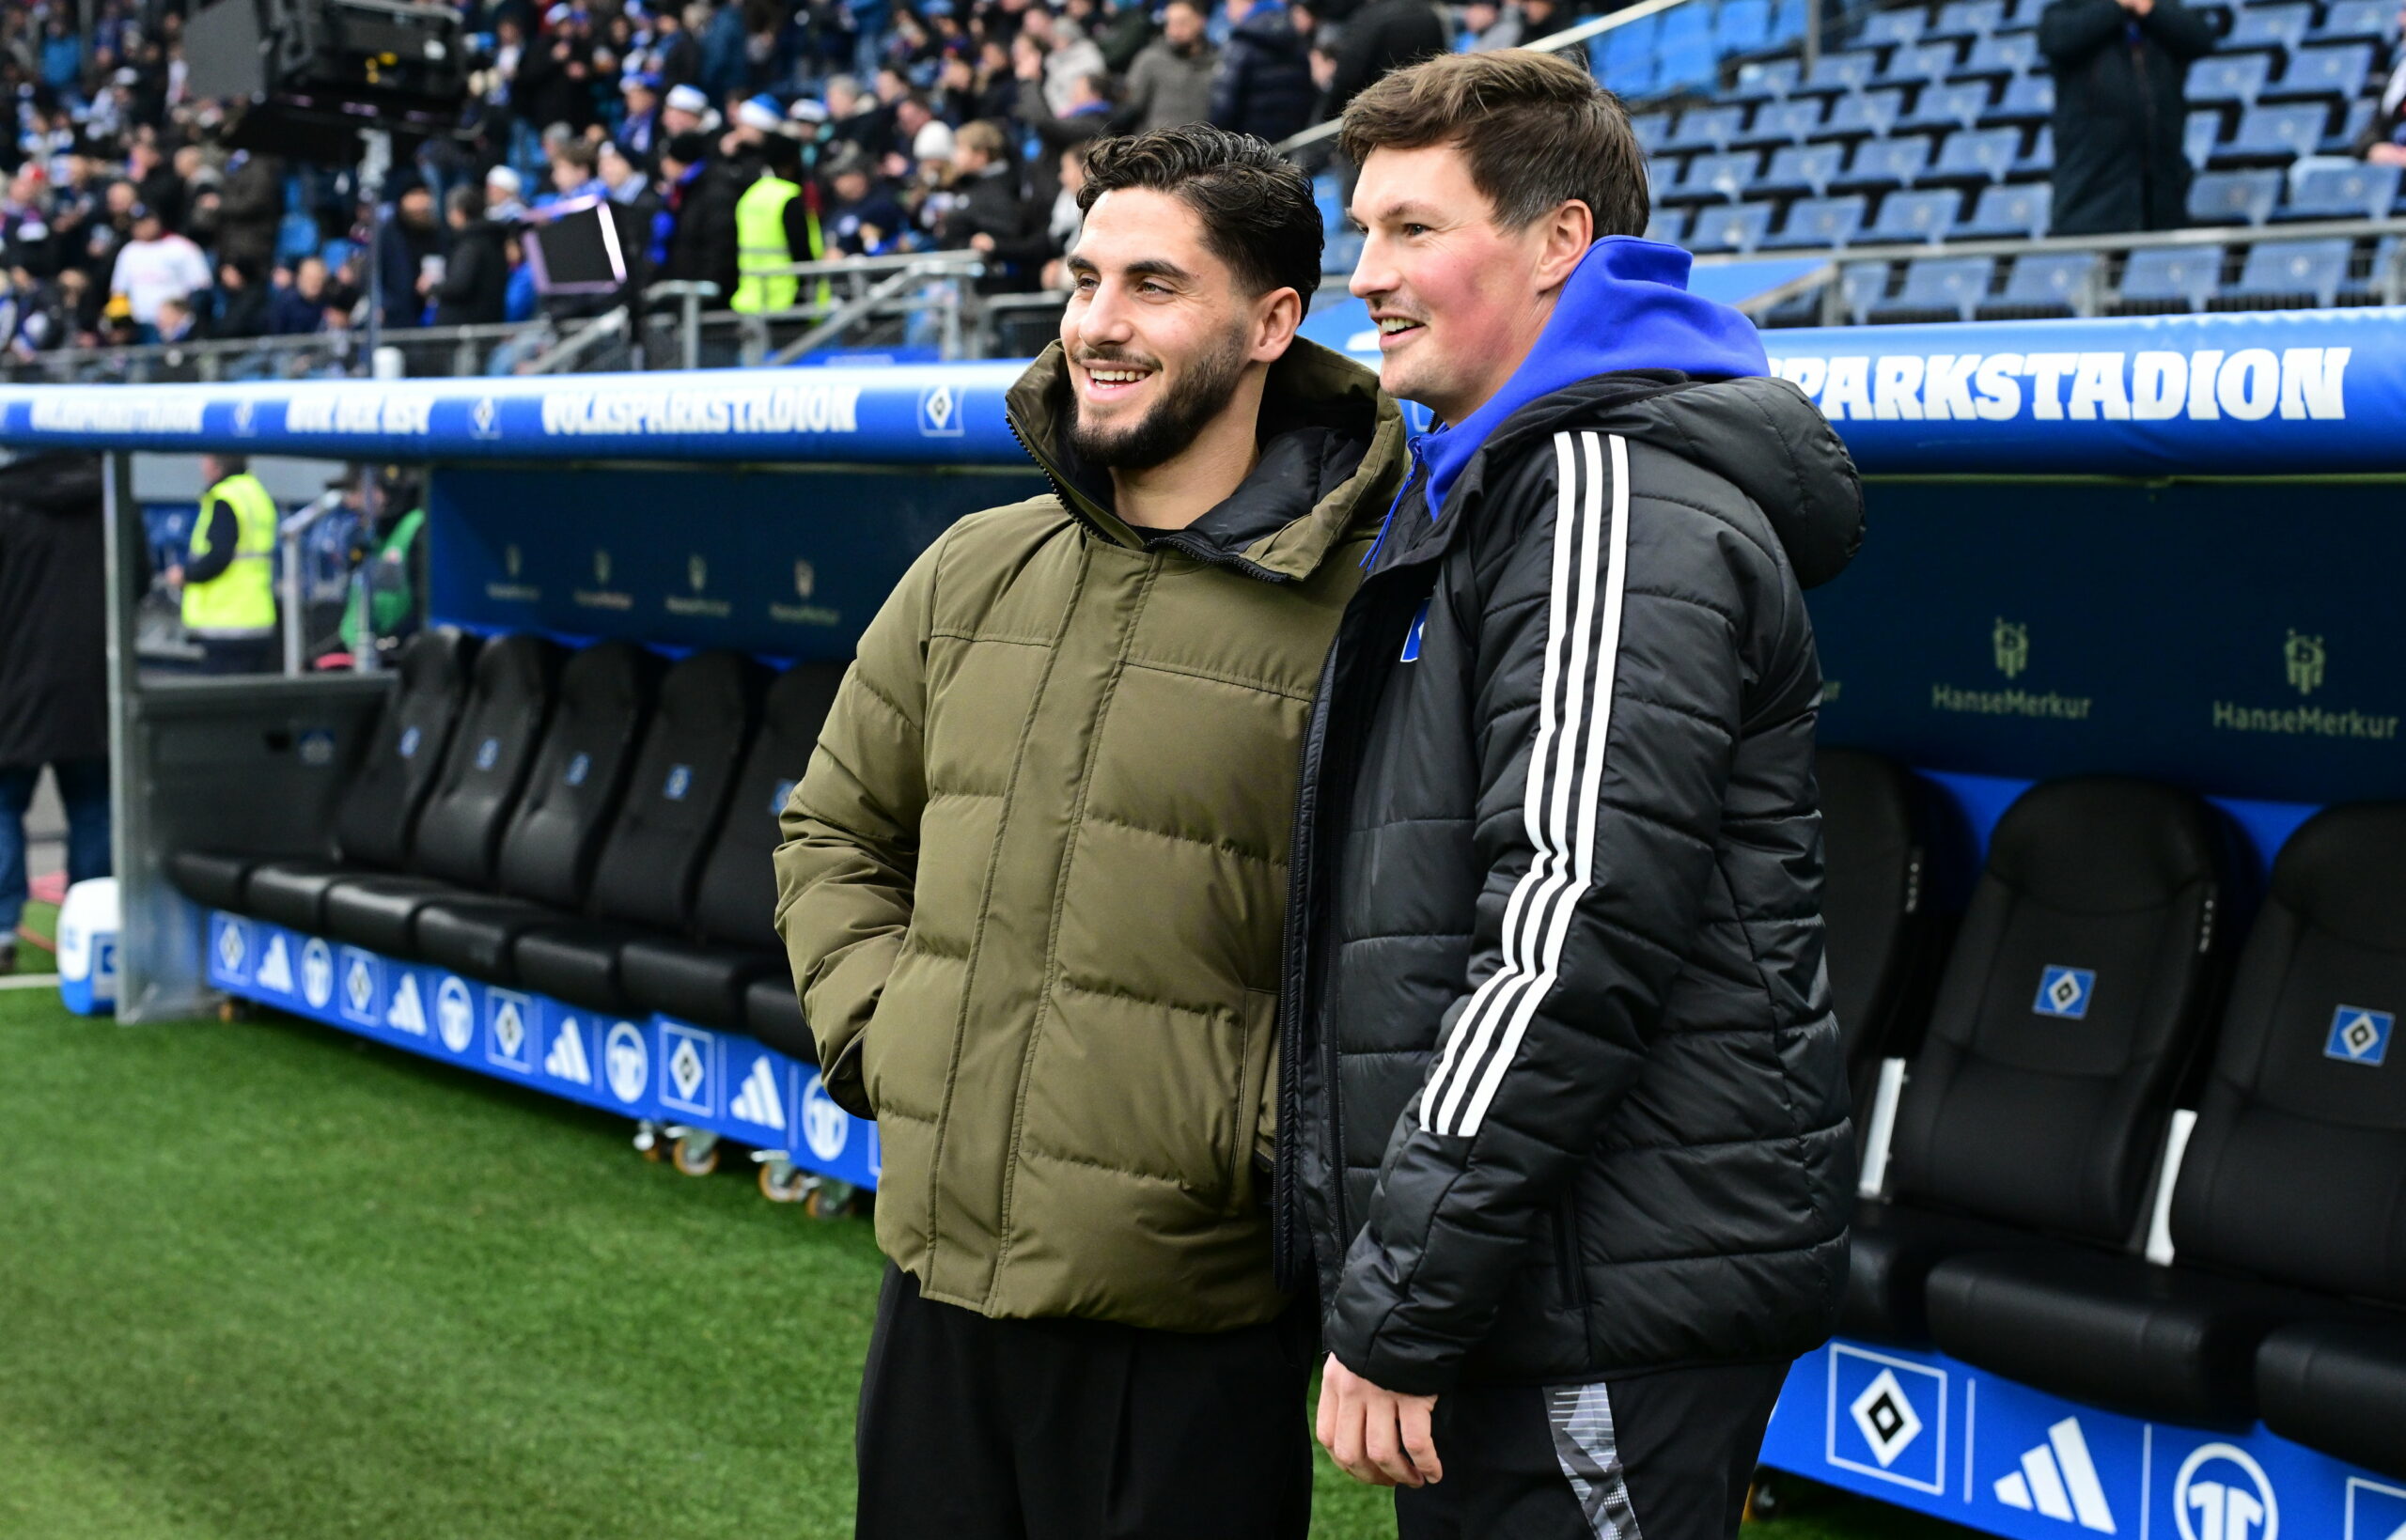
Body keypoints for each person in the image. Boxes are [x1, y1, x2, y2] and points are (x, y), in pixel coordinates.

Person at [773, 123, 1406, 1540]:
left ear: (1272, 323)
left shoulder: (1380, 606)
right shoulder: (972, 569)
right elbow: (830, 830)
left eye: (1152, 286)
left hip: (1193, 1318)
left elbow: (1419, 940)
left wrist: (1245, 1136)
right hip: (938, 1290)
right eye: (1083, 280)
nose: (1097, 327)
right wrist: (893, 1031)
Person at [1296, 51, 1862, 1536]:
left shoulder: (1608, 484)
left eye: (1415, 230)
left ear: (1560, 243)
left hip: (1599, 1285)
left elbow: (1565, 924)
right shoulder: (1500, 476)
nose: (1369, 274)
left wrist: (1401, 1296)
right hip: (1543, 1275)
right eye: (1364, 232)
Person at [0, 452, 114, 976]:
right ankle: (92, 926)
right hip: (91, 686)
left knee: (3, 806)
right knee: (92, 806)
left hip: (12, 686)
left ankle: (2, 929)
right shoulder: (108, 498)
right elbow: (136, 582)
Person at [2039, 0, 2216, 235]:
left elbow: (2201, 38)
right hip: (2091, 196)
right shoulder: (2070, 9)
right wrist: (2117, 7)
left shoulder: (2159, 13)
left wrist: (2150, 10)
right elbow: (2056, 40)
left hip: (2159, 197)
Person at [169, 454, 280, 677]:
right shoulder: (255, 493)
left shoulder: (225, 498)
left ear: (215, 464)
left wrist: (185, 574)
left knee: (220, 705)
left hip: (227, 625)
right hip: (257, 618)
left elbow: (219, 556)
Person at [730, 132, 823, 313]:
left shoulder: (750, 196)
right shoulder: (788, 197)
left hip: (752, 299)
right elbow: (802, 254)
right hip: (789, 301)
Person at [1316, 0, 1450, 118]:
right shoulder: (1430, 14)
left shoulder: (1371, 18)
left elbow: (1349, 76)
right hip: (1422, 111)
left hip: (1377, 115)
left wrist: (1327, 112)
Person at [1211, 0, 1317, 143]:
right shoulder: (1295, 38)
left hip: (1244, 146)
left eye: (1231, 4)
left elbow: (1224, 104)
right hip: (1287, 143)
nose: (1226, 11)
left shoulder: (1241, 42)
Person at [1118, 0, 1218, 132]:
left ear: (1201, 21)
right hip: (1155, 145)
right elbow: (1130, 107)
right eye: (1170, 23)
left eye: (1182, 22)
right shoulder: (1150, 59)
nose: (1175, 30)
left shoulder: (1218, 62)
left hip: (1203, 147)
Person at [431, 187, 510, 327]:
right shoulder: (494, 240)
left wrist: (432, 288)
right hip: (489, 322)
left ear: (459, 213)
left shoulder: (470, 245)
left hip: (464, 328)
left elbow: (458, 286)